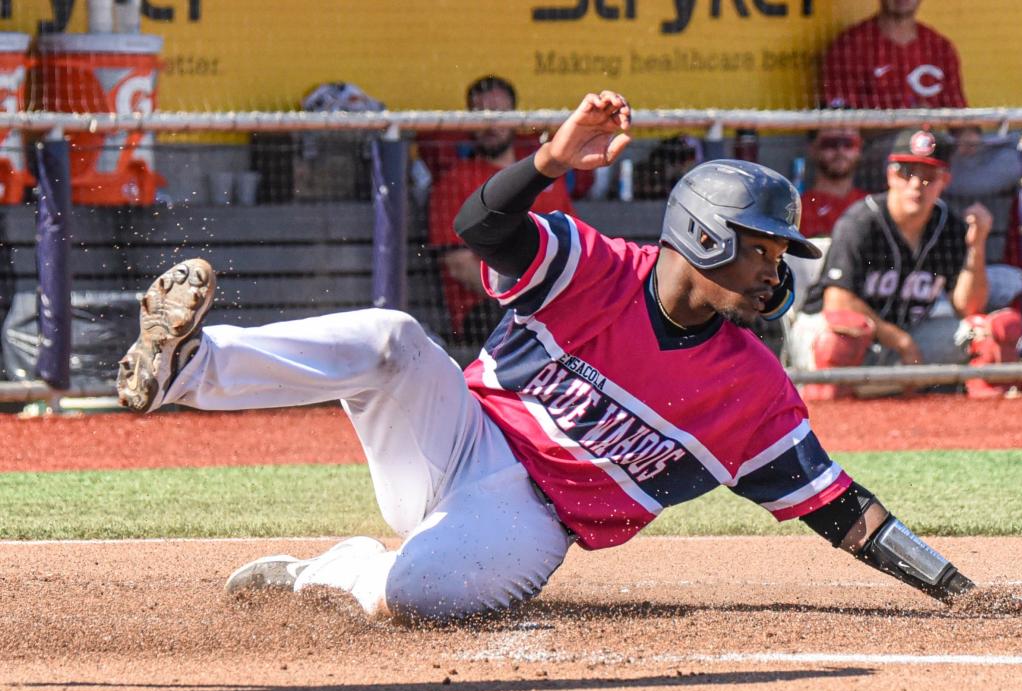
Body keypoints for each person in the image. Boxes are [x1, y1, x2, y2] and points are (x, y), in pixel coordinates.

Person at [115, 91, 976, 622]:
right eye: (762, 249)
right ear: (705, 238)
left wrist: (960, 591)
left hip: (533, 517)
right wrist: (551, 161)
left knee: (421, 597)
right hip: (457, 434)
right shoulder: (596, 267)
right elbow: (482, 229)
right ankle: (186, 370)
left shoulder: (751, 385)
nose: (775, 270)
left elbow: (843, 511)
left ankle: (341, 572)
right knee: (391, 337)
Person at [788, 129, 1022, 400]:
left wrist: (976, 246)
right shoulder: (862, 222)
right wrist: (899, 340)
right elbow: (837, 302)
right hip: (827, 334)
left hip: (905, 337)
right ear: (890, 175)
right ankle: (831, 424)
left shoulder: (947, 227)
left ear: (944, 181)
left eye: (928, 177)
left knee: (990, 333)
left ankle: (986, 431)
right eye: (906, 173)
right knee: (842, 338)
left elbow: (968, 307)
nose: (915, 185)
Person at [426, 76, 576, 350]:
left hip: (550, 298)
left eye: (500, 113)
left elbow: (570, 243)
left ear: (515, 117)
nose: (491, 124)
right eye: (481, 114)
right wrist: (524, 295)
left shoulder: (545, 176)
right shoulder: (454, 181)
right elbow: (459, 266)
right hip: (487, 308)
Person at [820, 0, 966, 111]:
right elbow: (841, 120)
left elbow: (959, 113)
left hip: (934, 143)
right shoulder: (850, 46)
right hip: (874, 145)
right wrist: (902, 122)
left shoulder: (940, 47)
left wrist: (967, 137)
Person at [800, 127, 866, 239]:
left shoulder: (870, 204)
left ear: (859, 148)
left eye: (849, 143)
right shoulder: (799, 208)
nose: (840, 151)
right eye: (830, 143)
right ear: (812, 148)